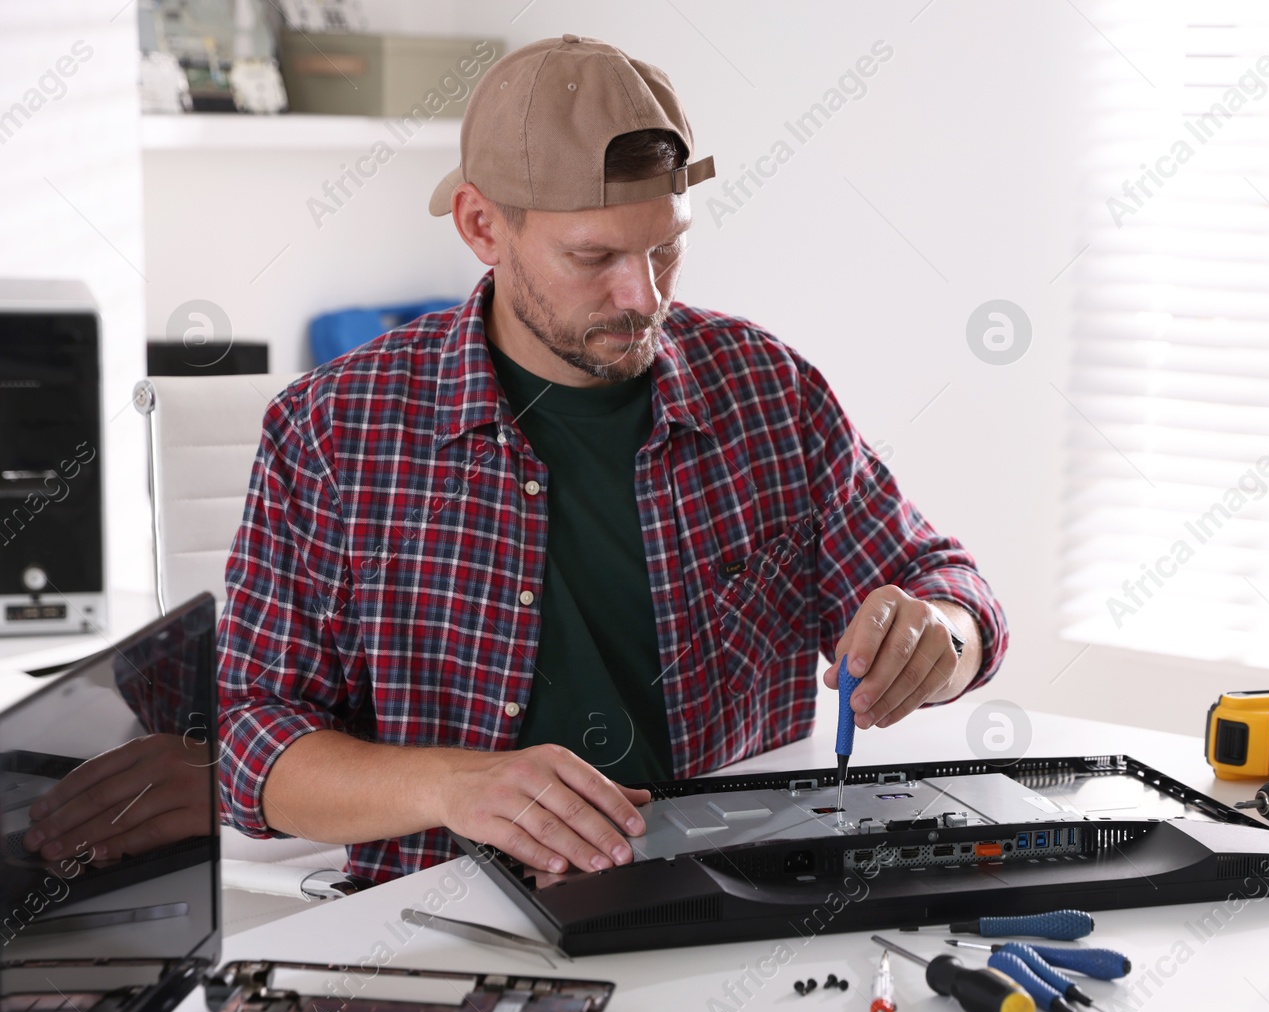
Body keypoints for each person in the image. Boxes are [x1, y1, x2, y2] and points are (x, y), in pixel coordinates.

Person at [216, 33, 1008, 887]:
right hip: (446, 922)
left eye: (665, 245)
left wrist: (943, 635)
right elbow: (245, 738)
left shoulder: (769, 389)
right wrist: (452, 783)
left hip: (736, 899)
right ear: (483, 225)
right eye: (594, 257)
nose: (646, 295)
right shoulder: (333, 430)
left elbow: (945, 585)